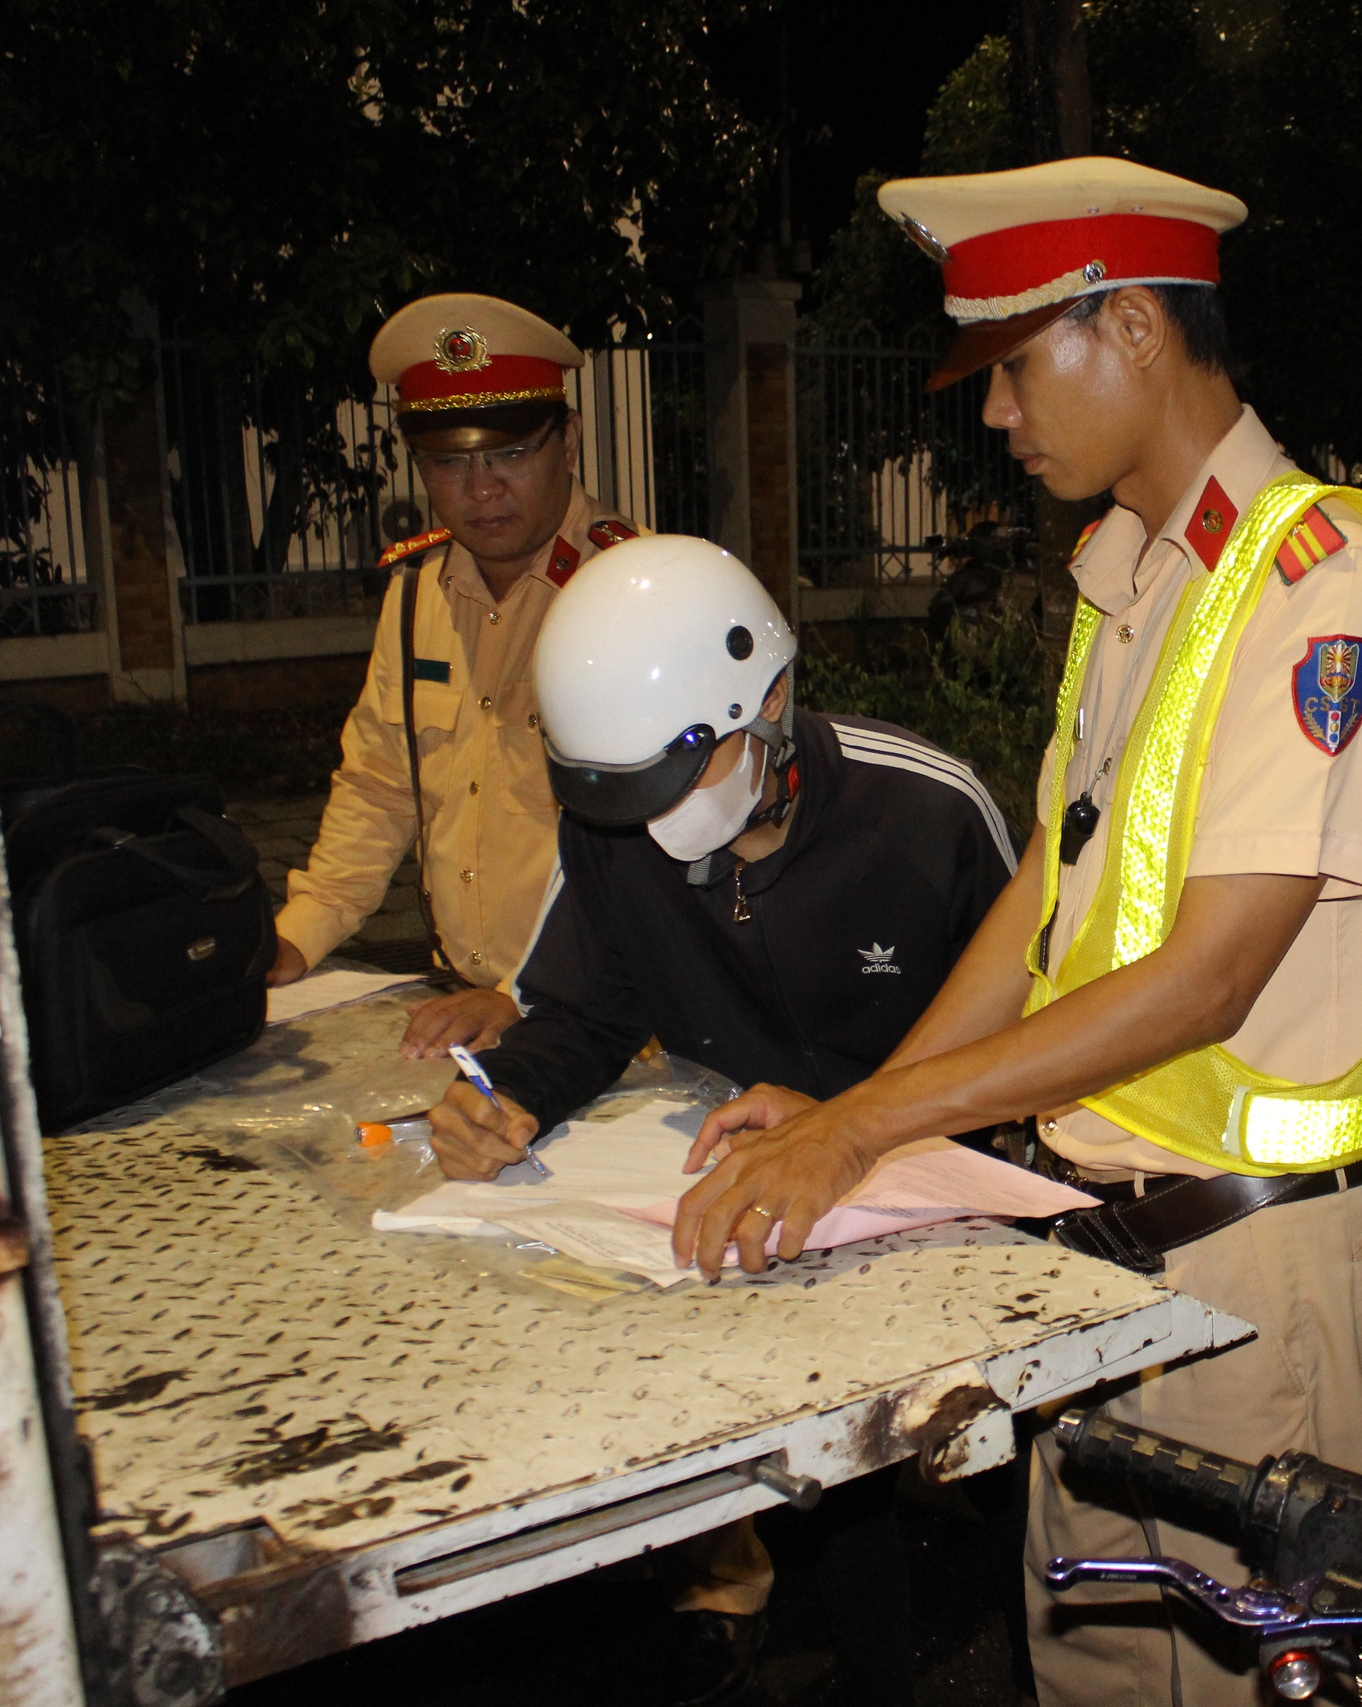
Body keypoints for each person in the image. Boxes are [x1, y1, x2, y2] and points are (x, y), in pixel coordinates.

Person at [666, 157, 1362, 1707]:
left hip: (1254, 1278)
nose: (997, 413)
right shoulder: (1134, 582)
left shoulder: (1321, 584)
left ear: (1138, 329)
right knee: (1086, 1670)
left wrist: (862, 1131)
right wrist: (854, 1115)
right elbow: (1048, 895)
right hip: (1096, 1265)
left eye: (1015, 366)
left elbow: (1210, 974)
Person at [424, 535, 1020, 1707]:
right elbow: (587, 1012)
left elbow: (1041, 1022)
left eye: (676, 783)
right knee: (824, 1489)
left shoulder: (925, 812)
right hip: (773, 1213)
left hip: (956, 1194)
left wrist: (872, 1125)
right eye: (626, 797)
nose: (655, 828)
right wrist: (509, 1099)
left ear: (773, 701)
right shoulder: (615, 828)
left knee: (1005, 1478)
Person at [267, 292, 639, 1058]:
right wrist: (298, 938)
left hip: (615, 1020)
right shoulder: (414, 599)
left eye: (508, 453)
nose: (481, 488)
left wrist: (533, 993)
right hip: (458, 1006)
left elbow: (671, 851)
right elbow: (379, 783)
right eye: (450, 461)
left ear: (567, 440)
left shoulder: (638, 593)